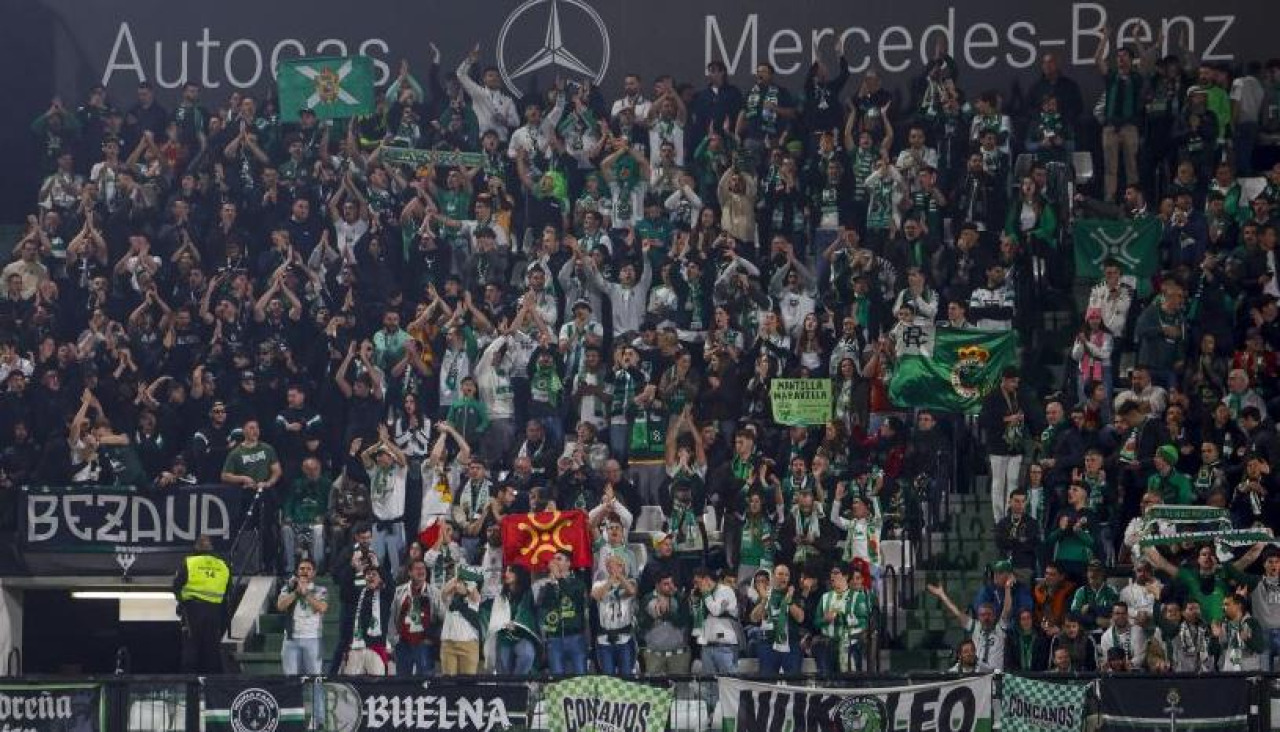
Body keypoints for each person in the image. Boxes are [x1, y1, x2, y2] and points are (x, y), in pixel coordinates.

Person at [173, 535, 231, 673]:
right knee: (212, 651)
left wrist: (181, 603)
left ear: (196, 547)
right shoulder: (223, 564)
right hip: (215, 612)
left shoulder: (189, 562)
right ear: (211, 548)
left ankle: (190, 688)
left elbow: (176, 586)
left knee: (191, 649)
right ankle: (213, 688)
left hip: (192, 611)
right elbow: (229, 589)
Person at [926, 581, 1011, 671]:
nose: (986, 617)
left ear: (994, 616)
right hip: (977, 675)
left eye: (989, 614)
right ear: (978, 617)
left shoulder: (1000, 628)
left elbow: (1006, 609)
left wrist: (1007, 588)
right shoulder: (975, 627)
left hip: (995, 677)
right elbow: (957, 613)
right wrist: (942, 595)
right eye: (983, 615)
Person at [538, 550, 589, 674]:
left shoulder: (578, 583)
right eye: (554, 559)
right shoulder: (548, 585)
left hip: (575, 637)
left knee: (580, 678)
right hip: (554, 639)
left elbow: (572, 596)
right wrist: (552, 584)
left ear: (568, 563)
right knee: (557, 681)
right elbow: (543, 606)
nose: (555, 562)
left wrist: (559, 579)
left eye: (559, 559)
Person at [749, 563, 804, 675]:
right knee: (767, 684)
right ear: (773, 576)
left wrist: (789, 600)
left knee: (793, 683)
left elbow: (800, 618)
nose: (783, 577)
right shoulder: (765, 594)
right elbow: (754, 618)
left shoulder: (794, 594)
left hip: (790, 644)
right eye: (780, 574)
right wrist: (764, 600)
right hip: (768, 644)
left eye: (786, 575)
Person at [276, 557, 328, 675]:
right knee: (291, 680)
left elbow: (322, 608)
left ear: (314, 572)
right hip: (291, 640)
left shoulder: (320, 590)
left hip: (313, 638)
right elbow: (280, 606)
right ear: (297, 571)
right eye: (301, 568)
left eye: (308, 569)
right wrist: (296, 592)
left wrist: (306, 594)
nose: (304, 571)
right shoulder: (288, 588)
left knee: (315, 680)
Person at [591, 553, 638, 675]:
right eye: (611, 565)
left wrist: (620, 576)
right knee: (608, 677)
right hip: (604, 639)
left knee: (627, 676)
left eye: (618, 565)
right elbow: (597, 596)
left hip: (624, 638)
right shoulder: (599, 584)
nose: (615, 568)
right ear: (607, 568)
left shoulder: (630, 582)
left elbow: (631, 591)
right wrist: (611, 579)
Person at [343, 565, 393, 675]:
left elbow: (391, 584)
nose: (370, 576)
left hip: (377, 647)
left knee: (378, 685)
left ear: (380, 578)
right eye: (368, 574)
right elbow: (344, 589)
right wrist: (353, 568)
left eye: (374, 574)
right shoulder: (358, 594)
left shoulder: (386, 595)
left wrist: (379, 567)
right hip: (357, 647)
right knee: (352, 684)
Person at [639, 569, 692, 674]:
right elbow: (642, 624)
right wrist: (654, 615)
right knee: (656, 688)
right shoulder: (647, 599)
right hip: (654, 654)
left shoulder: (680, 598)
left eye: (672, 583)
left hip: (678, 654)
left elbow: (683, 621)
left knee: (679, 688)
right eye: (666, 584)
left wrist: (667, 613)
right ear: (657, 585)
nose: (671, 587)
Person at [391, 558, 435, 676]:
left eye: (423, 568)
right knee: (402, 682)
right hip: (403, 643)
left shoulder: (434, 592)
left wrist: (432, 637)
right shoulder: (399, 591)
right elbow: (392, 616)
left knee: (425, 683)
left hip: (424, 643)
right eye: (417, 569)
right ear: (410, 572)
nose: (421, 571)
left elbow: (441, 617)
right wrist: (394, 639)